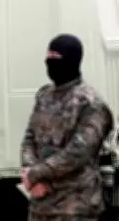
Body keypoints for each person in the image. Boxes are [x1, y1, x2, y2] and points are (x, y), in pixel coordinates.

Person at [20, 33, 114, 220]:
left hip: (75, 207)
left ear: (72, 60)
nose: (50, 62)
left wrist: (35, 174)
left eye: (55, 57)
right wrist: (30, 173)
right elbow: (29, 138)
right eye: (48, 57)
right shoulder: (44, 95)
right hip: (41, 204)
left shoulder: (91, 104)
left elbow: (78, 153)